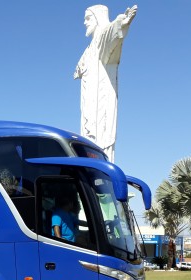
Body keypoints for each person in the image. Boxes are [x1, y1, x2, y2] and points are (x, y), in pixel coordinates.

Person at [74, 4, 137, 162]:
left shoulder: (101, 39)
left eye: (88, 18)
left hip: (100, 108)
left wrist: (121, 23)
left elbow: (111, 35)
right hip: (88, 110)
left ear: (97, 18)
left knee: (100, 148)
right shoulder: (89, 49)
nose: (85, 23)